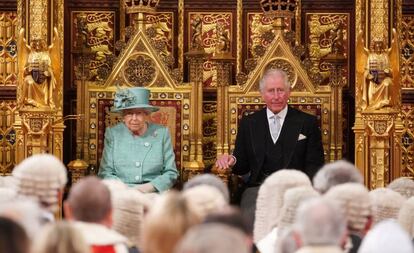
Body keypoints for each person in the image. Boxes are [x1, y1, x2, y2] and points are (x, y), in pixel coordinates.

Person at [215, 68, 324, 221]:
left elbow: (315, 165)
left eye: (280, 90)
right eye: (271, 91)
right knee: (251, 218)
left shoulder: (307, 122)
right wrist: (232, 160)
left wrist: (307, 192)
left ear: (289, 92)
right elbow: (242, 165)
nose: (276, 96)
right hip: (258, 189)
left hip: (294, 190)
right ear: (262, 94)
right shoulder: (249, 123)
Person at [98, 87, 179, 193]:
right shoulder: (113, 134)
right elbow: (105, 173)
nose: (134, 118)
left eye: (139, 113)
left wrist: (147, 188)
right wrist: (125, 190)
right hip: (121, 192)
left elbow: (171, 172)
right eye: (129, 113)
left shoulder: (161, 133)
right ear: (123, 116)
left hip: (153, 192)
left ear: (146, 114)